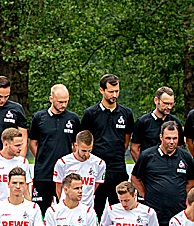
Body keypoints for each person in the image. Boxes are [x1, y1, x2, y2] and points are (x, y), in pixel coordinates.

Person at [130, 122, 194, 226]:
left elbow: (191, 181)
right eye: (168, 138)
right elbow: (135, 178)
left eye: (175, 138)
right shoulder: (147, 155)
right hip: (155, 219)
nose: (171, 142)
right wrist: (146, 195)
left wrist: (180, 196)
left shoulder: (185, 156)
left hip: (177, 218)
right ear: (161, 137)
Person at [80, 74, 134, 216]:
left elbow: (126, 140)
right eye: (111, 91)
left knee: (120, 212)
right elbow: (84, 140)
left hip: (118, 169)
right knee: (94, 212)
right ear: (102, 90)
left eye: (117, 91)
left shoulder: (126, 113)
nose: (114, 95)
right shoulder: (90, 114)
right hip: (96, 170)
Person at [28, 84, 80, 214]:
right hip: (43, 173)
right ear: (51, 99)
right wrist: (41, 158)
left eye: (66, 101)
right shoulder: (39, 118)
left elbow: (76, 145)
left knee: (65, 212)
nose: (64, 105)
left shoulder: (73, 118)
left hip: (65, 175)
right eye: (60, 102)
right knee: (39, 212)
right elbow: (32, 143)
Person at [53, 130, 105, 209]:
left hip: (87, 208)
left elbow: (95, 185)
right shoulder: (63, 163)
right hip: (66, 208)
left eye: (89, 150)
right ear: (76, 145)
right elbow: (59, 187)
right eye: (83, 150)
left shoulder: (99, 163)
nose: (86, 154)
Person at [130, 86, 184, 160]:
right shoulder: (143, 122)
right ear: (156, 100)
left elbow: (179, 147)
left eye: (171, 104)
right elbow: (134, 149)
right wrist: (142, 167)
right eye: (166, 103)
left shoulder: (176, 123)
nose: (169, 107)